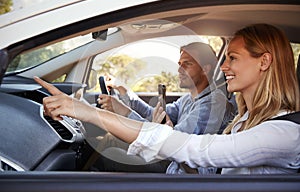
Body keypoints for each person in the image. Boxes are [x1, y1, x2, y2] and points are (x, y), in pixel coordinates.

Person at [35, 23, 300, 174]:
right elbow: (169, 126)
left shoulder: (282, 133)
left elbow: (192, 149)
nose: (225, 67)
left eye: (233, 58)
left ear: (264, 62)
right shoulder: (245, 119)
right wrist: (125, 103)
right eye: (225, 57)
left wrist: (90, 113)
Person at [95, 42, 236, 174]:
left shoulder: (213, 104)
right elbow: (153, 114)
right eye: (180, 64)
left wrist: (124, 111)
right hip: (169, 158)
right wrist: (123, 91)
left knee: (110, 155)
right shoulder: (188, 99)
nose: (180, 70)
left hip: (180, 171)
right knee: (109, 138)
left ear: (205, 69)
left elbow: (171, 144)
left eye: (187, 64)